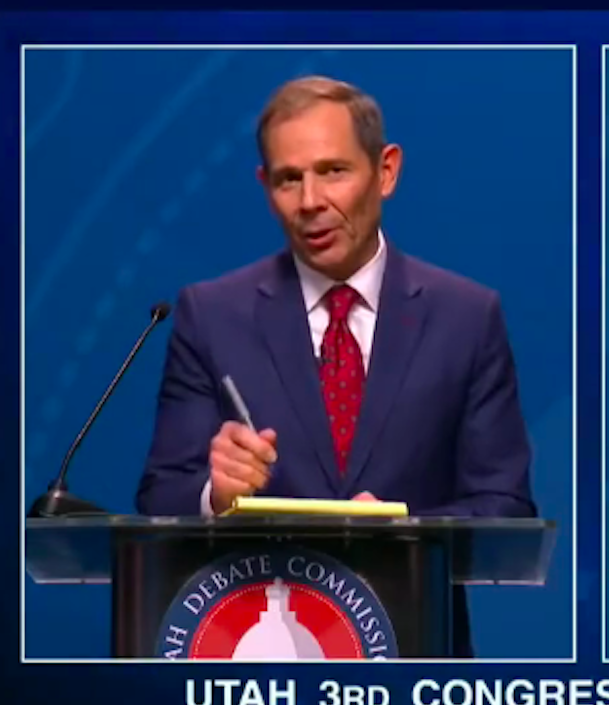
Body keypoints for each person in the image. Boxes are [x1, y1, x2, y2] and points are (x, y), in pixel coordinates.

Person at [135, 76, 536, 652]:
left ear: (386, 171)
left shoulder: (467, 317)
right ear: (264, 187)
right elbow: (160, 498)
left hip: (415, 657)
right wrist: (216, 496)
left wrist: (404, 526)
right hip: (258, 660)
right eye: (288, 179)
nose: (310, 202)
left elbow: (506, 508)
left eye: (333, 171)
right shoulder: (212, 314)